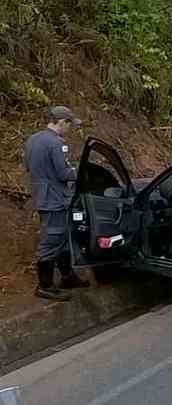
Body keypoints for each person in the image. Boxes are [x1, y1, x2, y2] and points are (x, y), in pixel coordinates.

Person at [23, 106, 90, 301]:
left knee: (63, 236)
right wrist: (80, 173)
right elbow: (63, 173)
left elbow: (28, 166)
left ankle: (68, 277)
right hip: (55, 198)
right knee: (52, 239)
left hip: (43, 195)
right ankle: (44, 286)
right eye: (69, 124)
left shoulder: (33, 139)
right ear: (61, 122)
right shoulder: (55, 143)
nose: (70, 129)